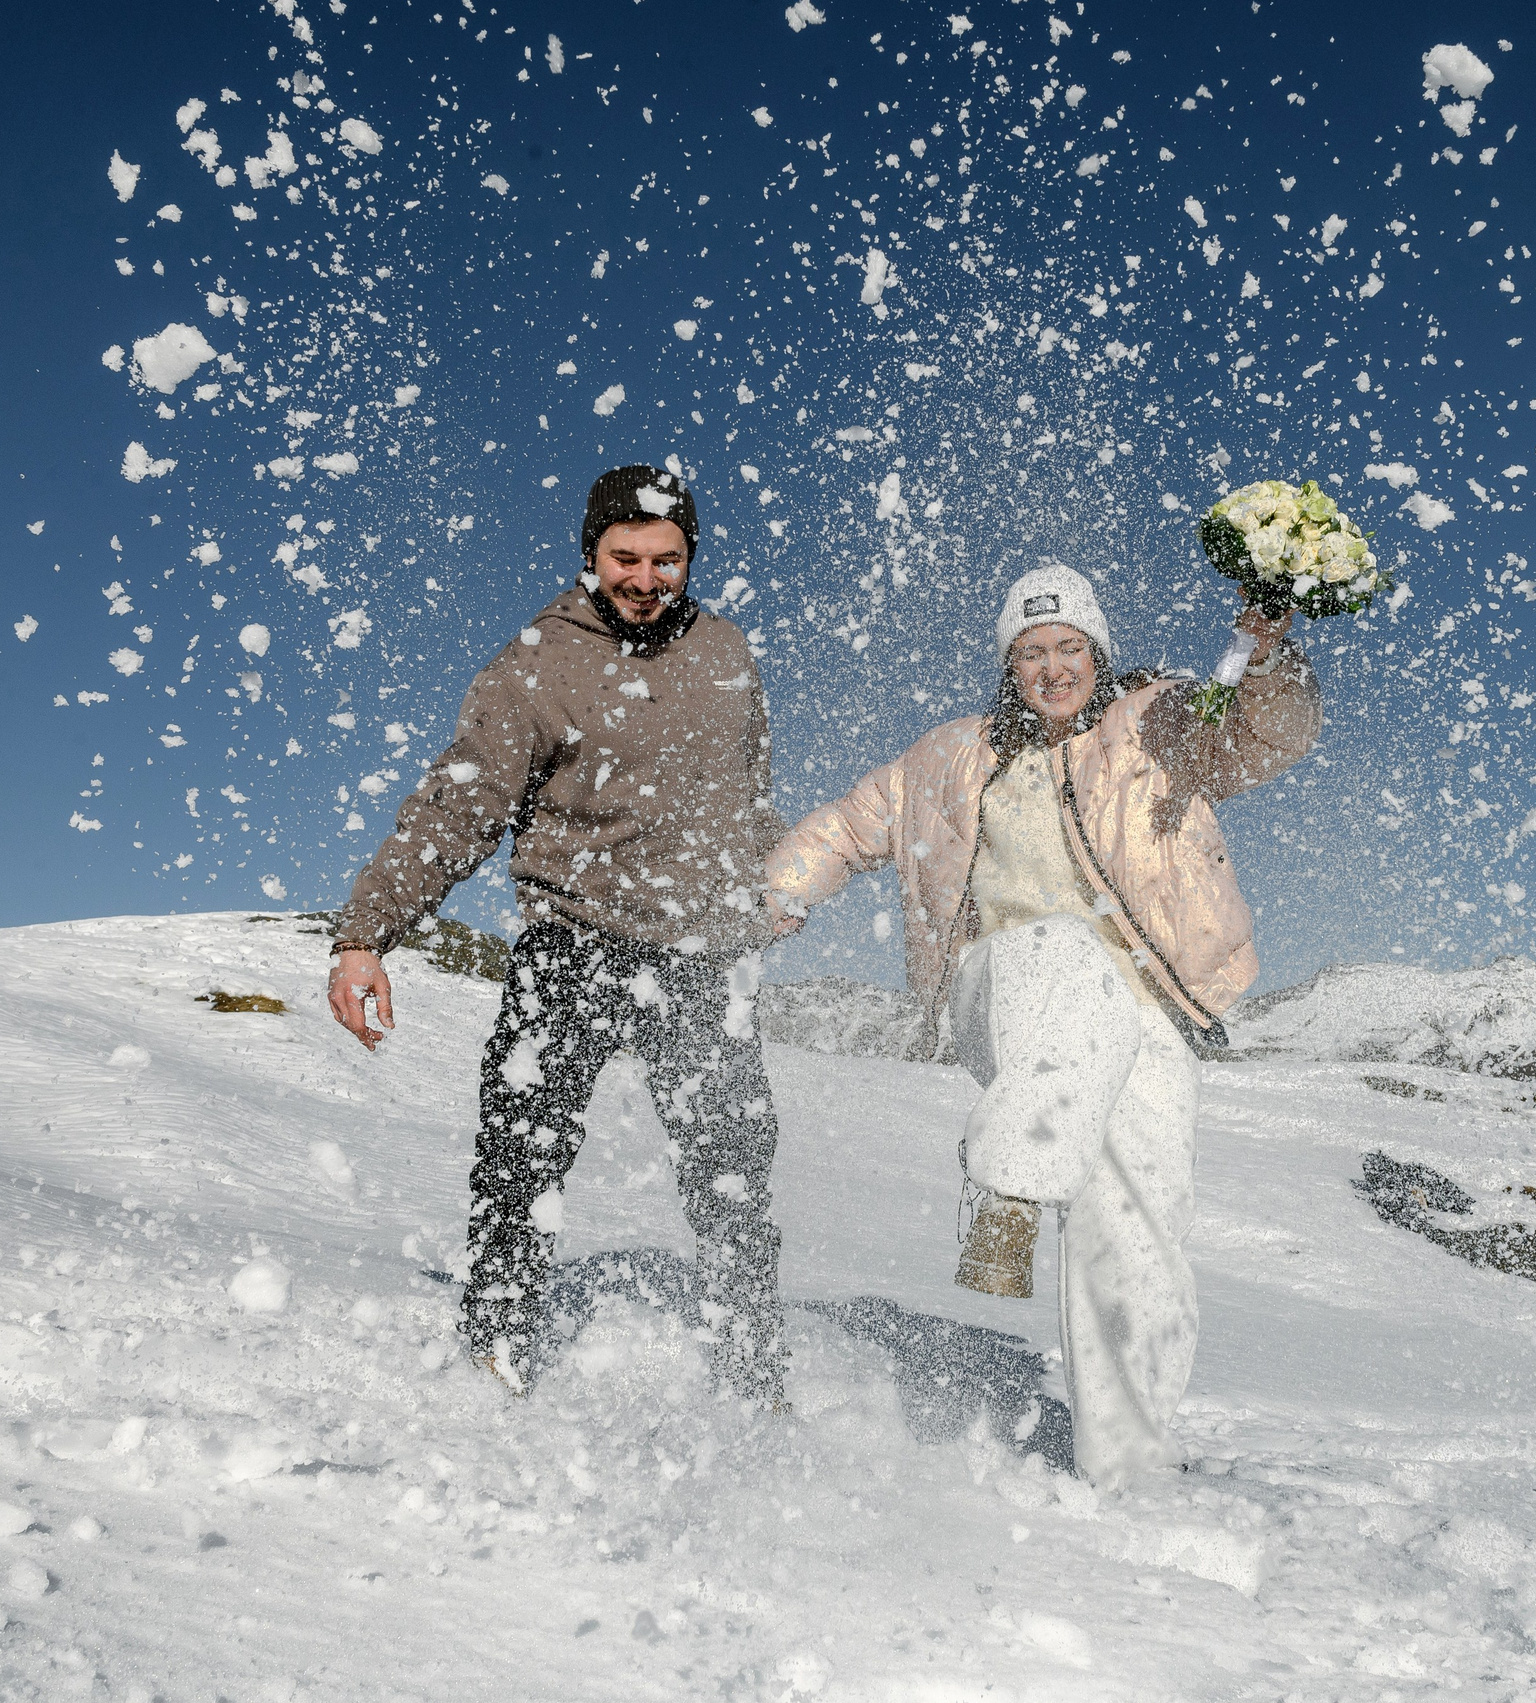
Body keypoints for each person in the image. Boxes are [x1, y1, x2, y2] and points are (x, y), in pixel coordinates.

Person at [762, 564, 1320, 1488]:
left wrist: (1269, 658)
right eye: (1030, 652)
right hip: (1005, 988)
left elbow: (1262, 736)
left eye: (1069, 648)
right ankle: (1007, 1180)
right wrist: (781, 889)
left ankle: (1130, 1465)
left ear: (1098, 653)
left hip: (1148, 1015)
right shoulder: (949, 756)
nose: (1052, 667)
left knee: (1140, 1224)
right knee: (1064, 949)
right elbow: (846, 826)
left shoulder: (1158, 722)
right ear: (1006, 665)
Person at [326, 464, 789, 1406]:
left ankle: (753, 1369)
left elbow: (747, 796)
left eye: (669, 560)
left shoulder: (727, 650)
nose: (648, 579)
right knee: (521, 1153)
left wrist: (767, 881)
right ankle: (498, 1347)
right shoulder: (538, 660)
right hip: (573, 941)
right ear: (591, 553)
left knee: (734, 1166)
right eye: (627, 557)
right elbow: (458, 808)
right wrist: (366, 932)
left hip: (700, 953)